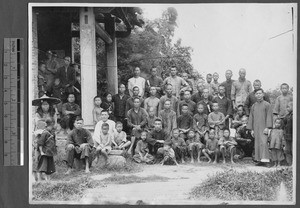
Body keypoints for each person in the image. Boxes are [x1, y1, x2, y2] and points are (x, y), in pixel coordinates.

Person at [247, 88, 273, 167]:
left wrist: (268, 127)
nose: (258, 95)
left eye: (260, 93)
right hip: (256, 127)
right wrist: (251, 129)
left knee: (264, 143)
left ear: (263, 94)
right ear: (255, 95)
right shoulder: (254, 106)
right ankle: (260, 160)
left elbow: (269, 116)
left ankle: (266, 160)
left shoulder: (267, 104)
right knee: (257, 143)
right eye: (257, 94)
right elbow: (251, 117)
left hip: (264, 127)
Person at [282, 101, 293, 166]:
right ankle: (289, 163)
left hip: (294, 136)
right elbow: (283, 123)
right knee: (287, 150)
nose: (287, 109)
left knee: (293, 150)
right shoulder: (287, 116)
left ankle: (294, 164)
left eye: (288, 107)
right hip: (288, 136)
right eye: (286, 107)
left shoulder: (295, 115)